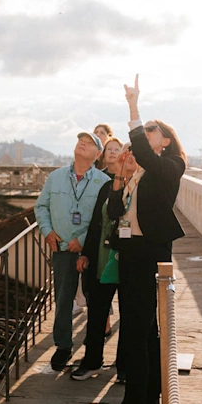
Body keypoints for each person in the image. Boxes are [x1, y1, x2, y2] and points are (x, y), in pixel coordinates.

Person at [92, 75, 186, 404]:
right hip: (130, 255)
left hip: (150, 257)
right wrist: (119, 179)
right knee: (146, 335)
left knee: (134, 333)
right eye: (144, 128)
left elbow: (144, 153)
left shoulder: (170, 167)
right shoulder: (139, 174)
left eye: (152, 130)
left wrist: (133, 109)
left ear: (165, 140)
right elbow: (114, 212)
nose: (146, 133)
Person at [34, 131, 111, 371]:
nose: (82, 144)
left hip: (92, 249)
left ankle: (91, 347)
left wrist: (84, 240)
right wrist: (47, 231)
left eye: (88, 144)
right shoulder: (55, 178)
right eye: (80, 141)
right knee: (63, 298)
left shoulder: (103, 182)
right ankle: (63, 346)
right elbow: (41, 206)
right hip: (62, 248)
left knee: (95, 299)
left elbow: (104, 218)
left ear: (97, 154)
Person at [73, 137, 125, 380]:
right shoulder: (107, 186)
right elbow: (96, 223)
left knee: (129, 315)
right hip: (103, 260)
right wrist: (86, 254)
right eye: (111, 151)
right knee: (96, 312)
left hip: (127, 261)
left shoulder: (138, 185)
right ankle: (93, 360)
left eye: (121, 151)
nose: (117, 156)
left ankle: (125, 367)